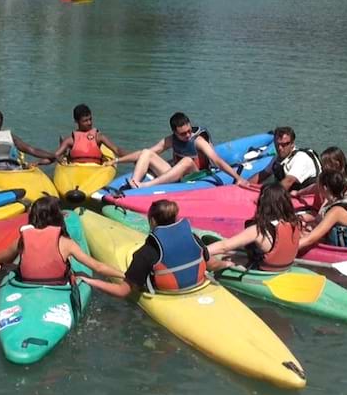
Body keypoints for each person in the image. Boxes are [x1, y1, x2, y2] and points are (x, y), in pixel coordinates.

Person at [81, 199, 232, 298]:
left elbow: (122, 292)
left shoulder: (146, 253)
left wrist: (89, 281)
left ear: (152, 220)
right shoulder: (193, 238)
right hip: (198, 285)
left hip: (165, 293)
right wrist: (226, 264)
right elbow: (211, 264)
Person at [0, 196, 119, 284]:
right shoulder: (66, 243)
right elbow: (98, 267)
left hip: (27, 284)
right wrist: (125, 276)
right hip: (57, 284)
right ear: (58, 217)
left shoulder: (22, 239)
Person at [109, 112, 249, 189]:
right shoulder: (170, 140)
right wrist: (116, 160)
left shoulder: (198, 141)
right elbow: (143, 154)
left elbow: (217, 161)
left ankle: (146, 185)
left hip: (196, 175)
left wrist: (238, 178)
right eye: (183, 133)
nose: (188, 135)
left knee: (187, 161)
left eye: (189, 131)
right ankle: (135, 182)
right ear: (174, 132)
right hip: (176, 174)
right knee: (147, 152)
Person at [207, 183, 302, 272]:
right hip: (284, 268)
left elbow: (224, 247)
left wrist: (203, 251)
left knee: (225, 257)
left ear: (263, 203)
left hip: (263, 272)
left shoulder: (258, 230)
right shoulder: (295, 223)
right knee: (235, 254)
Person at [299, 171, 347, 249]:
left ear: (324, 188)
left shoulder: (336, 211)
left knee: (302, 235)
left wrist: (288, 249)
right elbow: (320, 221)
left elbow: (310, 239)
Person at [250, 126, 321, 192]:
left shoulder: (301, 158)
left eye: (284, 145)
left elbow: (289, 181)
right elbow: (263, 174)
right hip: (288, 193)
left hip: (307, 197)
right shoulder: (278, 158)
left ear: (292, 144)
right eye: (277, 144)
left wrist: (269, 196)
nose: (280, 148)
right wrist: (246, 185)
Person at [54, 104, 126, 164]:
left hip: (95, 169)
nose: (89, 123)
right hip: (75, 169)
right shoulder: (70, 140)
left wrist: (132, 157)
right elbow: (56, 155)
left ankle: (65, 151)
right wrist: (63, 163)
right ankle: (65, 153)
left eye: (90, 119)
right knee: (64, 152)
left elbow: (116, 150)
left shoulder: (98, 136)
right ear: (76, 121)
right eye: (85, 121)